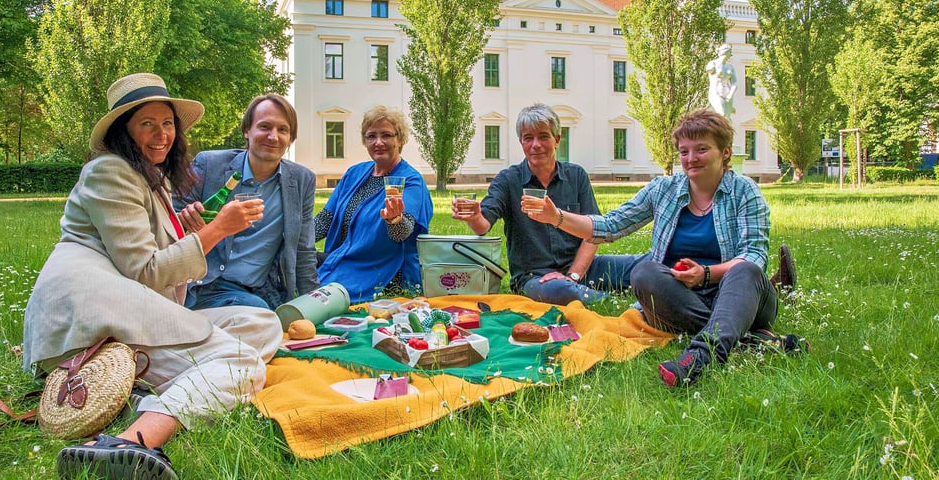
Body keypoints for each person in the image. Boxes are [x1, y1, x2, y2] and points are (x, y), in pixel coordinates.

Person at [22, 73, 282, 480]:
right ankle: (131, 441)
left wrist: (188, 229)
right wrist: (218, 230)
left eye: (167, 123)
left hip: (125, 310)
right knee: (244, 363)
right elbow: (145, 272)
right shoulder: (109, 172)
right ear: (124, 131)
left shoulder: (148, 177)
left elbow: (144, 249)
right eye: (147, 123)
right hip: (93, 319)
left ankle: (167, 383)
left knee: (263, 322)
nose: (161, 134)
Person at [530, 109, 793, 386]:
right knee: (644, 273)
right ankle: (750, 338)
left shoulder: (744, 191)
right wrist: (556, 217)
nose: (691, 159)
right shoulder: (664, 189)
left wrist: (706, 273)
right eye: (684, 151)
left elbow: (754, 255)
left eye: (701, 149)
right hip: (684, 299)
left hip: (738, 293)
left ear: (725, 152)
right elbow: (610, 226)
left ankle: (701, 356)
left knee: (746, 269)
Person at [452, 103, 648, 305]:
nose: (535, 144)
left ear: (557, 139)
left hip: (582, 268)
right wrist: (474, 215)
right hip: (535, 277)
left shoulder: (576, 175)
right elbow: (483, 225)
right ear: (521, 142)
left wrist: (573, 275)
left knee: (646, 264)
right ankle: (604, 299)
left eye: (543, 136)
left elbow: (593, 234)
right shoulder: (508, 180)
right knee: (558, 290)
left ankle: (580, 289)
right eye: (528, 138)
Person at [176, 94, 318, 310]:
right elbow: (167, 224)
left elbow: (304, 249)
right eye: (264, 127)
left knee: (262, 315)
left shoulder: (301, 180)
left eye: (283, 130)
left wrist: (313, 304)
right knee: (259, 316)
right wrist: (185, 218)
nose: (273, 136)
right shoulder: (209, 165)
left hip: (258, 291)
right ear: (247, 130)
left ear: (291, 139)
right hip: (202, 285)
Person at [315, 105, 432, 303]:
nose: (378, 142)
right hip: (342, 258)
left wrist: (395, 220)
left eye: (386, 135)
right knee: (286, 258)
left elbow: (403, 231)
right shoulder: (354, 173)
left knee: (319, 293)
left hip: (378, 271)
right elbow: (325, 219)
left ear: (400, 139)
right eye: (371, 136)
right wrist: (293, 242)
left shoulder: (411, 181)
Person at [706, 43, 737, 120]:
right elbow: (708, 70)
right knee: (722, 114)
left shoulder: (730, 66)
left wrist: (730, 94)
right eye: (730, 52)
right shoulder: (713, 64)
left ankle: (727, 132)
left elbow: (735, 83)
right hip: (716, 92)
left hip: (727, 93)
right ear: (725, 52)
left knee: (727, 118)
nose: (731, 55)